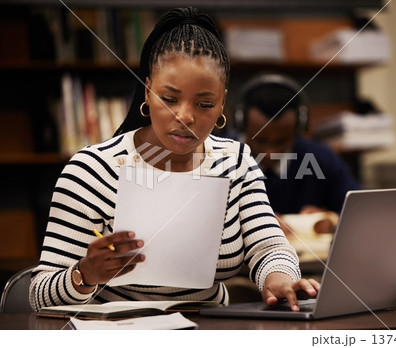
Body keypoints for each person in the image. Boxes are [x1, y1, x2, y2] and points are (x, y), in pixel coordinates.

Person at [29, 7, 319, 313]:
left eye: (205, 103)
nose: (184, 116)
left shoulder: (236, 161)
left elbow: (269, 247)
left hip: (209, 330)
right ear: (147, 91)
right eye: (169, 99)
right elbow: (39, 295)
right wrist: (84, 274)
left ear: (222, 103)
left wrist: (280, 278)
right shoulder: (92, 170)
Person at [235, 74, 360, 234]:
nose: (269, 153)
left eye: (281, 142)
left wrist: (332, 220)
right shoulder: (219, 157)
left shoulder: (319, 157)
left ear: (299, 128)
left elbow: (360, 213)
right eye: (260, 141)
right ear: (241, 125)